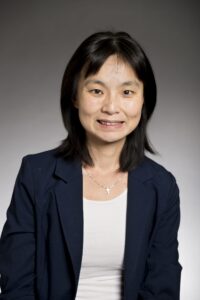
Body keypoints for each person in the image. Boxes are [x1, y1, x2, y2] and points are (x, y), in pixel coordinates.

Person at [0, 31, 182, 300]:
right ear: (74, 96)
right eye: (96, 91)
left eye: (127, 92)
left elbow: (162, 287)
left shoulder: (161, 186)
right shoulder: (36, 174)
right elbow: (16, 282)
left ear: (144, 100)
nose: (111, 106)